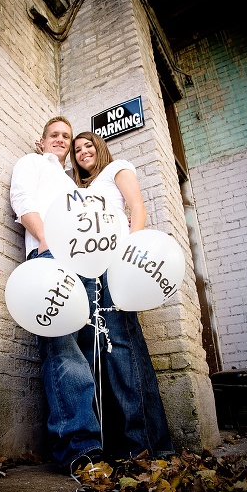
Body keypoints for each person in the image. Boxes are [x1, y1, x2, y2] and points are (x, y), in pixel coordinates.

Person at [71, 131, 174, 460]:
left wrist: (130, 257)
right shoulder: (80, 190)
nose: (83, 152)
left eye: (88, 145)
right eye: (77, 150)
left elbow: (138, 208)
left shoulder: (118, 168)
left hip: (114, 264)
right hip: (88, 269)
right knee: (100, 354)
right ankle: (120, 445)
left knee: (123, 348)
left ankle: (145, 445)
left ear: (99, 148)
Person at [9, 117, 104, 473]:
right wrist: (47, 242)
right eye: (55, 135)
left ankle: (89, 444)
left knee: (83, 351)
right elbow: (22, 200)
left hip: (82, 263)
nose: (62, 140)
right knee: (61, 348)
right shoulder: (32, 163)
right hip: (49, 258)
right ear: (42, 140)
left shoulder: (72, 183)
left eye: (67, 135)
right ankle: (78, 451)